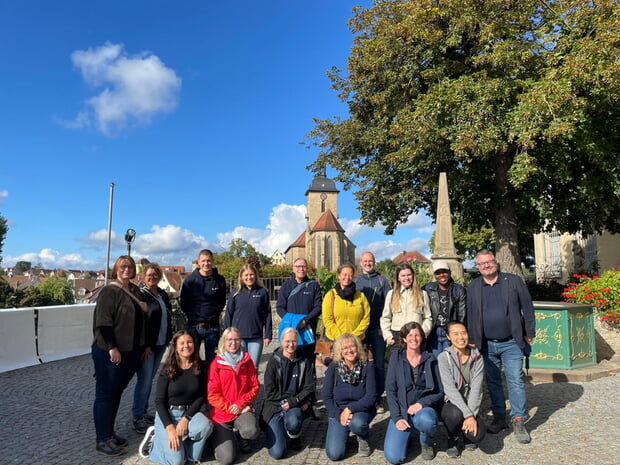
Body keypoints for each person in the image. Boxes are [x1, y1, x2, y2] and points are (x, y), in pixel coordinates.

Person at [467, 249, 535, 444]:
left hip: (511, 342)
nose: (486, 266)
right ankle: (499, 416)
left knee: (515, 380)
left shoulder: (512, 281)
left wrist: (529, 332)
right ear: (478, 267)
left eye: (489, 262)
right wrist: (473, 339)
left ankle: (519, 419)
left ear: (495, 262)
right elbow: (471, 315)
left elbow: (527, 307)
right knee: (494, 382)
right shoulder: (473, 287)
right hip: (486, 344)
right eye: (482, 264)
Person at [92, 255, 147, 456]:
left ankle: (109, 432)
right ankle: (102, 439)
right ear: (116, 269)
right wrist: (112, 347)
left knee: (116, 393)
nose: (127, 269)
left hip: (130, 351)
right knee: (105, 394)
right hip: (111, 351)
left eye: (130, 266)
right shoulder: (109, 291)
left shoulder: (134, 291)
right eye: (123, 266)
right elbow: (103, 322)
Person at [140, 330, 212, 465]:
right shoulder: (167, 369)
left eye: (189, 342)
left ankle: (189, 455)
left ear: (195, 345)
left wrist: (186, 419)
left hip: (190, 414)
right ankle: (155, 442)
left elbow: (201, 396)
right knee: (177, 462)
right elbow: (159, 402)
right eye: (182, 343)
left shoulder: (201, 366)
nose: (186, 345)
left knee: (205, 426)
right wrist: (170, 428)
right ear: (176, 347)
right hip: (169, 414)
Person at [384, 322, 444, 463]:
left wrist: (421, 404)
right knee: (394, 458)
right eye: (410, 335)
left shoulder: (430, 359)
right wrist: (397, 417)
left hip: (423, 410)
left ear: (422, 338)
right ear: (404, 339)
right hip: (402, 411)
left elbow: (440, 392)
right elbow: (390, 390)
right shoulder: (396, 357)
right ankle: (407, 436)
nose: (414, 338)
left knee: (427, 421)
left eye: (417, 335)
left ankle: (426, 442)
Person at [208, 327, 260, 465]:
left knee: (251, 430)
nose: (233, 343)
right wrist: (230, 407)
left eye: (236, 339)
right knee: (226, 459)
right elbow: (212, 395)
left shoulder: (247, 361)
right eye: (229, 339)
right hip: (221, 414)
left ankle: (242, 436)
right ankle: (218, 437)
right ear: (223, 342)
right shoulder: (216, 364)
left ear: (240, 341)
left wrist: (240, 404)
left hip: (241, 410)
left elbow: (254, 387)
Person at [262, 327, 315, 459]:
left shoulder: (304, 361)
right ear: (281, 341)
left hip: (295, 405)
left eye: (294, 341)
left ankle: (294, 435)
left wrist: (294, 402)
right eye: (287, 341)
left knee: (294, 422)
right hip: (275, 406)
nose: (291, 345)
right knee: (277, 453)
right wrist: (284, 402)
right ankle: (276, 430)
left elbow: (309, 387)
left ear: (298, 342)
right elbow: (269, 391)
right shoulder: (273, 361)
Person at [133, 263, 173, 434]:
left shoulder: (162, 294)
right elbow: (140, 323)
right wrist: (146, 344)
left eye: (155, 275)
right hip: (148, 347)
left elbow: (168, 317)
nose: (152, 277)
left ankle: (144, 411)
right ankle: (137, 416)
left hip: (161, 343)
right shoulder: (141, 295)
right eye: (149, 275)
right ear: (143, 276)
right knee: (144, 380)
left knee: (149, 380)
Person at [323, 333, 376, 461]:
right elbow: (326, 396)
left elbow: (371, 396)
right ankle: (344, 434)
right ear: (340, 351)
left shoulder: (367, 367)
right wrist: (339, 414)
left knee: (357, 423)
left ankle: (362, 436)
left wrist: (350, 409)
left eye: (352, 346)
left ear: (358, 348)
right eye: (345, 348)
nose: (349, 350)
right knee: (335, 454)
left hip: (361, 410)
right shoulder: (333, 367)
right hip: (338, 411)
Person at [437, 322, 486, 457]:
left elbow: (477, 388)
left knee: (477, 436)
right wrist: (468, 416)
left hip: (470, 403)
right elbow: (450, 389)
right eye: (455, 334)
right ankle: (453, 437)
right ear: (448, 337)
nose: (461, 337)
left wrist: (471, 414)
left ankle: (465, 434)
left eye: (463, 333)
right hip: (452, 403)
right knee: (454, 415)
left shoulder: (477, 357)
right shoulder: (443, 358)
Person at [354, 252, 391, 412]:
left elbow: (390, 305)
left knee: (378, 365)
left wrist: (385, 328)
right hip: (359, 331)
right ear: (361, 263)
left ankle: (378, 398)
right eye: (365, 261)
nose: (368, 263)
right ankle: (363, 397)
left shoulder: (382, 281)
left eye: (371, 261)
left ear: (374, 262)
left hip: (377, 330)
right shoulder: (355, 281)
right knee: (361, 364)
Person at [180, 249, 227, 363]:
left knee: (212, 361)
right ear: (199, 262)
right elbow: (183, 302)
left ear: (212, 261)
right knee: (192, 360)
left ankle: (210, 381)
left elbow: (222, 301)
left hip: (213, 327)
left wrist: (212, 315)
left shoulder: (219, 280)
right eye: (203, 261)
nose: (206, 263)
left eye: (209, 261)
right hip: (194, 327)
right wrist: (194, 316)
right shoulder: (190, 280)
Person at [224, 263, 272, 371]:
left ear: (255, 276)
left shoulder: (262, 292)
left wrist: (268, 334)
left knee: (253, 368)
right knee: (238, 368)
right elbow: (228, 314)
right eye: (246, 275)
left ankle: (252, 388)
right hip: (238, 338)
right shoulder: (235, 293)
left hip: (256, 337)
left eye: (251, 274)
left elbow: (268, 314)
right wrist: (227, 334)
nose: (249, 277)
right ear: (241, 277)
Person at [276, 257, 322, 362]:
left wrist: (306, 320)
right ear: (293, 268)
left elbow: (318, 307)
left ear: (307, 268)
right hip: (291, 330)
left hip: (308, 328)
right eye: (298, 266)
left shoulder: (314, 285)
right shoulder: (286, 286)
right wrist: (291, 321)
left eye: (303, 266)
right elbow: (280, 307)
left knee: (308, 361)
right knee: (291, 360)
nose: (301, 269)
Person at [381, 264, 432, 350]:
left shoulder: (422, 294)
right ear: (398, 278)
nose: (406, 278)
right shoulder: (392, 294)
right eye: (403, 275)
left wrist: (422, 333)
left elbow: (428, 317)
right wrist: (388, 336)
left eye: (409, 275)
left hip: (416, 337)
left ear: (413, 276)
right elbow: (385, 318)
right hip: (397, 337)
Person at [423, 260, 466, 357]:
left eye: (444, 272)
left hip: (450, 332)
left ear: (450, 272)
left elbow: (462, 315)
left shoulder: (459, 290)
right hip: (433, 332)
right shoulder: (428, 289)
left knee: (450, 362)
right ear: (434, 275)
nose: (441, 275)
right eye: (438, 273)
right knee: (435, 363)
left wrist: (458, 334)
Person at [322, 264, 370, 342]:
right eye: (344, 274)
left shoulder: (360, 296)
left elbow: (366, 318)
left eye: (350, 275)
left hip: (356, 341)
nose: (347, 277)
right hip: (334, 340)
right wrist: (340, 337)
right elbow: (327, 319)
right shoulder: (330, 295)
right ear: (339, 276)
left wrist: (353, 336)